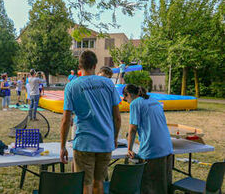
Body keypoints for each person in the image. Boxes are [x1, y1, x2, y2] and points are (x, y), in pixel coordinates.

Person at [60, 50, 121, 194]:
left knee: (85, 183)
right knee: (99, 181)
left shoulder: (72, 86)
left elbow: (65, 120)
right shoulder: (108, 83)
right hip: (105, 141)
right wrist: (115, 138)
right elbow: (117, 117)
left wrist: (62, 146)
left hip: (84, 143)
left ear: (79, 66)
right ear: (95, 65)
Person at [124, 84, 173, 194]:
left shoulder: (135, 104)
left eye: (126, 99)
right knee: (163, 185)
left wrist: (129, 149)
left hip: (152, 150)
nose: (127, 103)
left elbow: (132, 129)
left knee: (148, 186)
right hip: (167, 147)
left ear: (128, 95)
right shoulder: (154, 100)